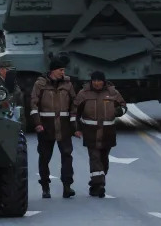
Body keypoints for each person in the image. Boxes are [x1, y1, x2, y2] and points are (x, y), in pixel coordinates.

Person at [74, 71, 127, 198]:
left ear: (104, 81)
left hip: (107, 132)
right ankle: (100, 185)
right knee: (95, 157)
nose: (97, 83)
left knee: (103, 159)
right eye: (94, 81)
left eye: (99, 81)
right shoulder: (83, 94)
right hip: (90, 132)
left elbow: (124, 106)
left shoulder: (113, 93)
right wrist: (76, 128)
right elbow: (75, 112)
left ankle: (95, 184)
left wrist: (117, 111)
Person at [31, 57, 77, 199]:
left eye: (64, 70)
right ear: (53, 70)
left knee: (67, 155)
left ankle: (67, 186)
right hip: (46, 126)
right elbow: (34, 104)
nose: (63, 72)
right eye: (60, 70)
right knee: (44, 157)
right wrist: (37, 123)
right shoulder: (40, 84)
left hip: (63, 126)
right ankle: (45, 187)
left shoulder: (68, 84)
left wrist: (74, 126)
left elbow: (74, 104)